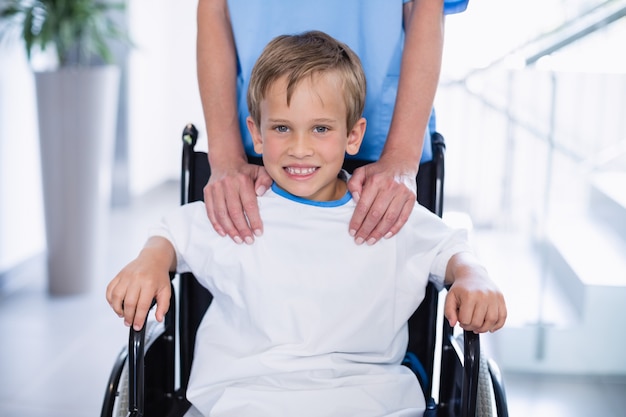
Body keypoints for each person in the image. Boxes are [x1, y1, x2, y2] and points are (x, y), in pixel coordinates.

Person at [107, 31, 505, 416]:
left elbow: (450, 248)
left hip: (368, 402)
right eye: (282, 128)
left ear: (353, 135)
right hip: (242, 401)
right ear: (257, 135)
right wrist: (151, 261)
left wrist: (472, 275)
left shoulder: (384, 212)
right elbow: (173, 234)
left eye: (320, 128)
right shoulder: (239, 207)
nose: (300, 148)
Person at [197, 0, 467, 247]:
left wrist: (402, 157)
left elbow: (426, 5)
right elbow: (214, 7)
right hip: (259, 152)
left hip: (386, 146)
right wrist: (225, 156)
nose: (302, 148)